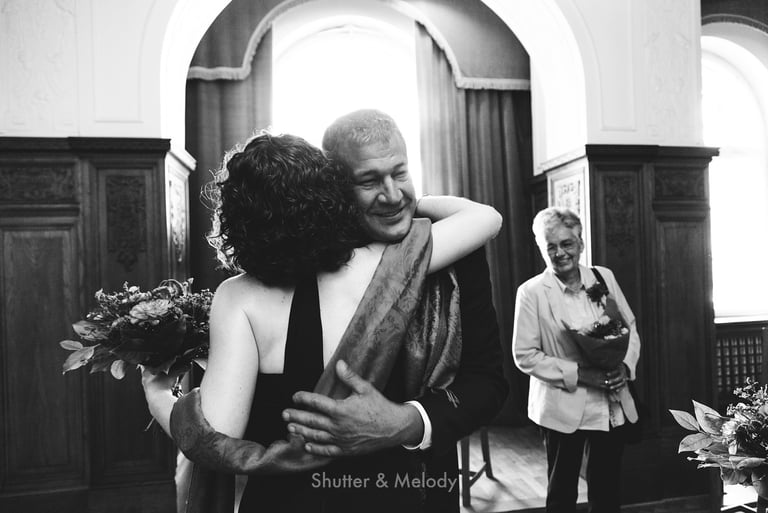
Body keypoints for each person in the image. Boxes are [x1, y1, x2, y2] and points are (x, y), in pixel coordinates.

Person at [144, 113, 507, 512]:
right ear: (334, 197)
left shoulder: (236, 298)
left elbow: (215, 438)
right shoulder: (393, 262)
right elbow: (486, 217)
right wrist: (414, 202)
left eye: (399, 174)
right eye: (369, 182)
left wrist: (159, 393)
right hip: (397, 495)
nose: (391, 194)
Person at [511, 206, 641, 513]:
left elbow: (629, 327)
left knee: (607, 488)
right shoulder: (531, 292)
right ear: (541, 249)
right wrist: (582, 375)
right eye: (550, 247)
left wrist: (624, 366)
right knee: (562, 494)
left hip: (610, 401)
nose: (560, 253)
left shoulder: (603, 277)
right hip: (561, 406)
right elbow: (524, 355)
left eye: (567, 244)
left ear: (581, 243)